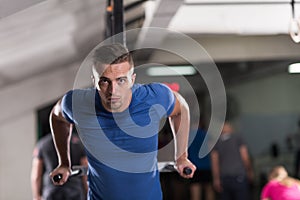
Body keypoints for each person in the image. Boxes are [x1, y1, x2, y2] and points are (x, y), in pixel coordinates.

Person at [49, 43, 196, 200]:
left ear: (132, 80)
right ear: (94, 81)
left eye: (121, 80)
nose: (113, 90)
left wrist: (181, 156)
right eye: (105, 81)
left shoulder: (153, 98)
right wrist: (64, 162)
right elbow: (57, 117)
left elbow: (181, 108)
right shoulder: (78, 104)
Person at [31, 131, 88, 200]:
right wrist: (87, 193)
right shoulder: (79, 142)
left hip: (51, 190)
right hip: (74, 191)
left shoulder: (43, 144)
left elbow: (37, 175)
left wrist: (36, 196)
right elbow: (85, 173)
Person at [211, 121, 254, 200]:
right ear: (231, 129)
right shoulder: (238, 138)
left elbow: (215, 162)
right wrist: (249, 171)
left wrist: (216, 179)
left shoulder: (216, 143)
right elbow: (245, 157)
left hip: (224, 178)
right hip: (239, 176)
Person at [188, 120, 214, 200]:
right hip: (207, 166)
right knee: (209, 190)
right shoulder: (206, 134)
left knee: (195, 190)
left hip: (193, 166)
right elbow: (212, 151)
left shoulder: (187, 135)